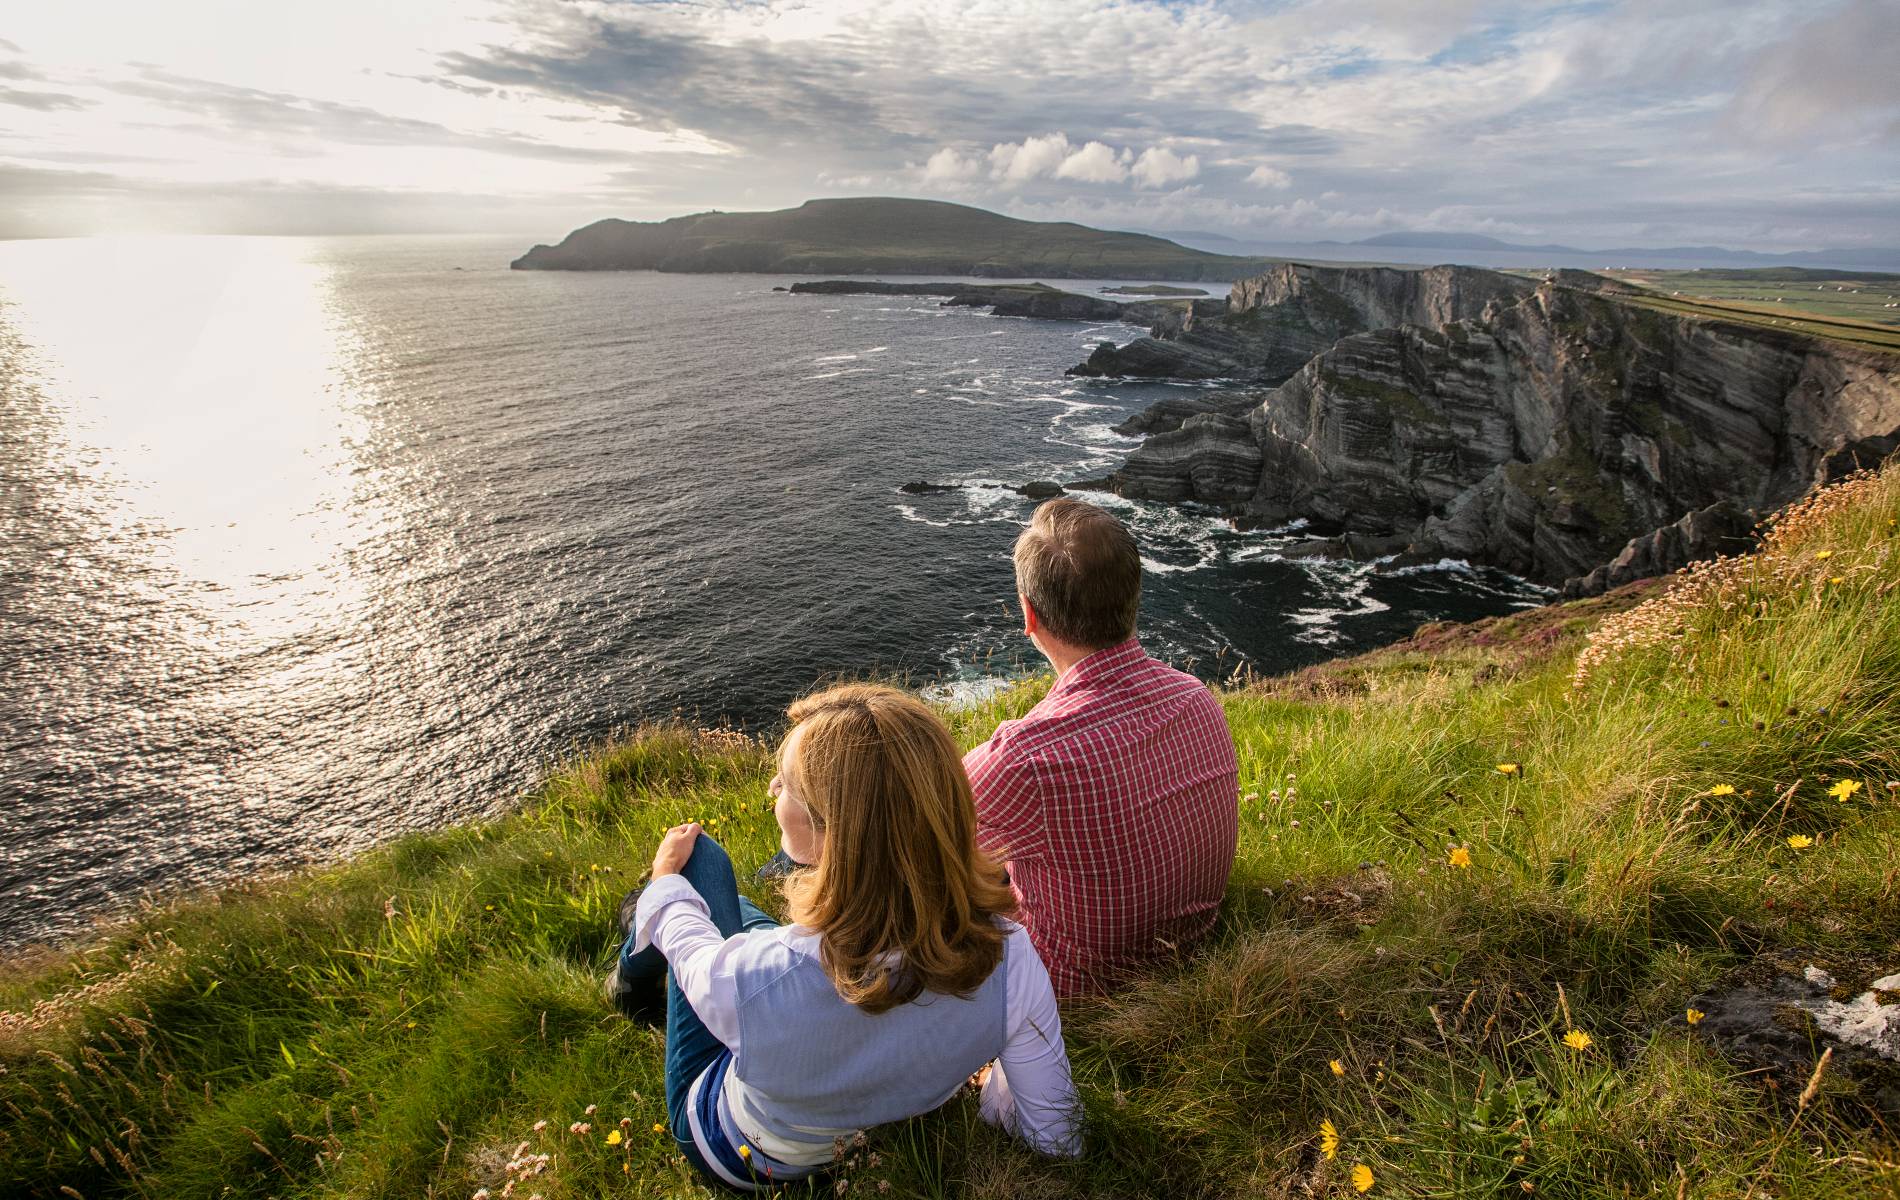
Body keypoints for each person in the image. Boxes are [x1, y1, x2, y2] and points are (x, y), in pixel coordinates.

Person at [607, 684, 1080, 1192]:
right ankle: (645, 924)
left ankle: (630, 976)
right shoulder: (1009, 955)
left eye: (787, 784)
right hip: (862, 1118)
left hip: (738, 1154)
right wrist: (988, 1084)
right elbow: (1057, 1134)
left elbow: (693, 957)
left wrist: (666, 886)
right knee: (739, 913)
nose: (771, 789)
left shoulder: (764, 972)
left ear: (837, 832)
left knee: (701, 865)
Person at [964, 497, 1240, 997]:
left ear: (1029, 616)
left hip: (1076, 996)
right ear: (1133, 595)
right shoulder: (1197, 698)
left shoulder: (1025, 758)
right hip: (1194, 955)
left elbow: (921, 831)